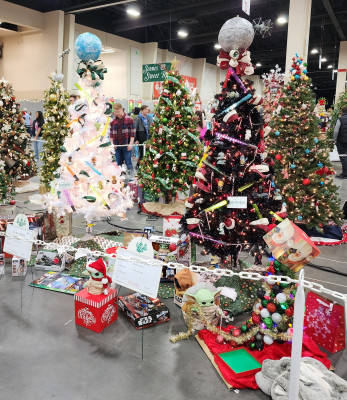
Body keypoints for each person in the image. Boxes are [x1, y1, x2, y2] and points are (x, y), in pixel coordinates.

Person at [110, 103, 135, 177]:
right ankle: (120, 178)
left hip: (126, 145)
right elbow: (111, 134)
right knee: (118, 163)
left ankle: (131, 178)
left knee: (128, 162)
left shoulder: (129, 119)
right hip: (117, 146)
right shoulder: (113, 121)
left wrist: (130, 144)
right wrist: (112, 144)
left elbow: (132, 134)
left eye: (117, 111)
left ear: (121, 110)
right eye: (114, 112)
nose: (116, 113)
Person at [333, 106, 347, 179]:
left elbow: (336, 130)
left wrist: (335, 139)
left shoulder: (340, 119)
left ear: (343, 112)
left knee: (343, 156)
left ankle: (345, 174)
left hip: (341, 141)